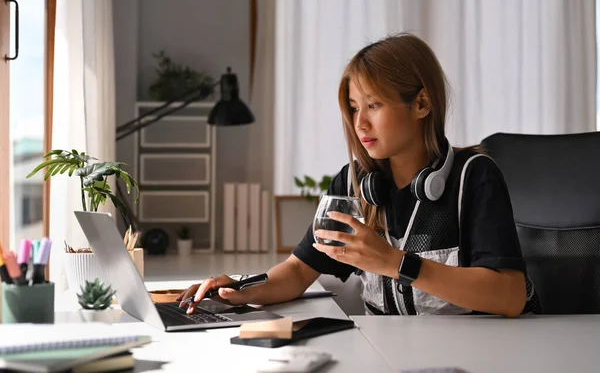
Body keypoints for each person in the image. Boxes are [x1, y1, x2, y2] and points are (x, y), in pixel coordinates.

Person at [177, 33, 539, 317]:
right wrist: (241, 289)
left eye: (374, 105)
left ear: (422, 104)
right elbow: (298, 271)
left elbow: (508, 296)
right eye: (353, 108)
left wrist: (395, 262)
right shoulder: (353, 184)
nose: (359, 123)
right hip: (390, 353)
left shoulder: (475, 178)